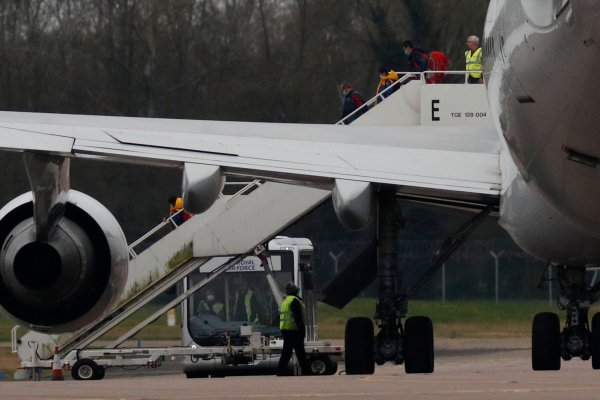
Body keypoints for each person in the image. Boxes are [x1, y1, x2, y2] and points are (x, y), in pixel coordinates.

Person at [277, 281, 309, 376]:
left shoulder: (285, 300)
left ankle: (281, 371)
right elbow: (297, 317)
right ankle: (306, 371)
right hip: (294, 330)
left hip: (285, 329)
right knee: (300, 352)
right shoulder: (295, 300)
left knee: (286, 352)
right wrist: (302, 329)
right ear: (296, 291)